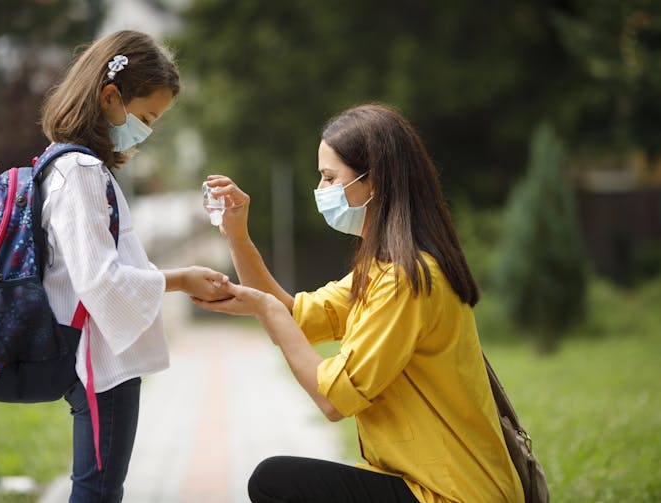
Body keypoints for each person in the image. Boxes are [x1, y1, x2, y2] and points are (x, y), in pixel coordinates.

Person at [194, 104, 525, 502]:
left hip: (450, 494)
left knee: (275, 481)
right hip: (429, 485)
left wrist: (265, 309)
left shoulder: (405, 279)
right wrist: (236, 236)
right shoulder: (385, 268)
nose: (321, 190)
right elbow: (296, 316)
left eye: (330, 178)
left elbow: (333, 400)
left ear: (375, 182)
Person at [38, 30, 228, 502]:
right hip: (101, 365)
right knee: (97, 492)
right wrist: (181, 279)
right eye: (145, 117)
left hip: (100, 360)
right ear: (109, 96)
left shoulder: (73, 167)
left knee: (99, 489)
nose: (146, 130)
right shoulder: (80, 172)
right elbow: (100, 281)